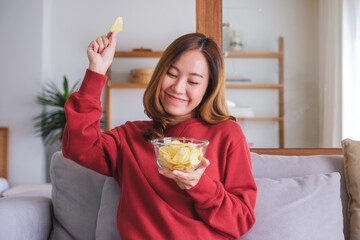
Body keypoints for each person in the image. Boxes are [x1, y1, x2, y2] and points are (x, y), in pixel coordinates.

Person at [62, 31, 257, 240]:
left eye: (193, 82)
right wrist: (97, 70)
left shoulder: (227, 134)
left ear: (208, 89)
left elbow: (240, 221)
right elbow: (78, 148)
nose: (178, 88)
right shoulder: (129, 137)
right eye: (172, 74)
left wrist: (200, 186)